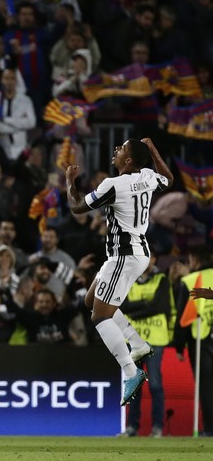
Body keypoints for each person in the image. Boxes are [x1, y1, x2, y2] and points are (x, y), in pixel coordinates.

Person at [64, 137, 173, 406]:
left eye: (121, 148)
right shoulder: (148, 176)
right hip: (137, 254)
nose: (116, 150)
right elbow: (168, 179)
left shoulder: (113, 185)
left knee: (99, 317)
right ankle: (138, 344)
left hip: (123, 256)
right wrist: (153, 148)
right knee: (91, 300)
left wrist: (69, 182)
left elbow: (77, 207)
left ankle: (130, 371)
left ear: (128, 161)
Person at [120, 253, 171, 438]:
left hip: (155, 340)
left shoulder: (162, 279)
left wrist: (136, 309)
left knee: (155, 384)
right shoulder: (128, 279)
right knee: (133, 385)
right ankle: (132, 427)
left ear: (155, 260)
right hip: (132, 340)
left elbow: (159, 306)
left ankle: (157, 427)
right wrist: (145, 304)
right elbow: (122, 306)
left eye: (149, 257)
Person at [174, 246, 213, 436]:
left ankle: (210, 429)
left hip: (201, 341)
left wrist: (179, 346)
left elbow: (182, 317)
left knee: (206, 386)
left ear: (194, 259)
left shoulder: (190, 281)